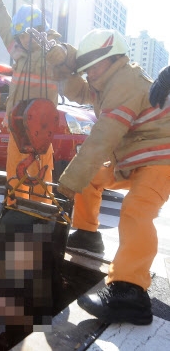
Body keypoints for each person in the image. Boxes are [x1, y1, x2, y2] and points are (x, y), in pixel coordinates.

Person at [56, 29, 170, 326]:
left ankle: (130, 292)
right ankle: (87, 233)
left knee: (136, 210)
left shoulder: (124, 82)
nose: (89, 74)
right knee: (92, 177)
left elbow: (102, 137)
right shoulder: (103, 83)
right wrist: (64, 66)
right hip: (133, 160)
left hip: (160, 159)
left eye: (93, 67)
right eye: (86, 69)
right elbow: (78, 91)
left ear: (114, 59)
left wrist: (67, 183)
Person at [0, 0, 75, 203]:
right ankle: (15, 212)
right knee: (14, 175)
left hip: (40, 128)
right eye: (22, 37)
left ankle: (41, 215)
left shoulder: (52, 52)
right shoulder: (18, 52)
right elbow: (4, 28)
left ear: (41, 31)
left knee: (41, 176)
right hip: (18, 127)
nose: (26, 41)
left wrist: (62, 54)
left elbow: (69, 60)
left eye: (30, 35)